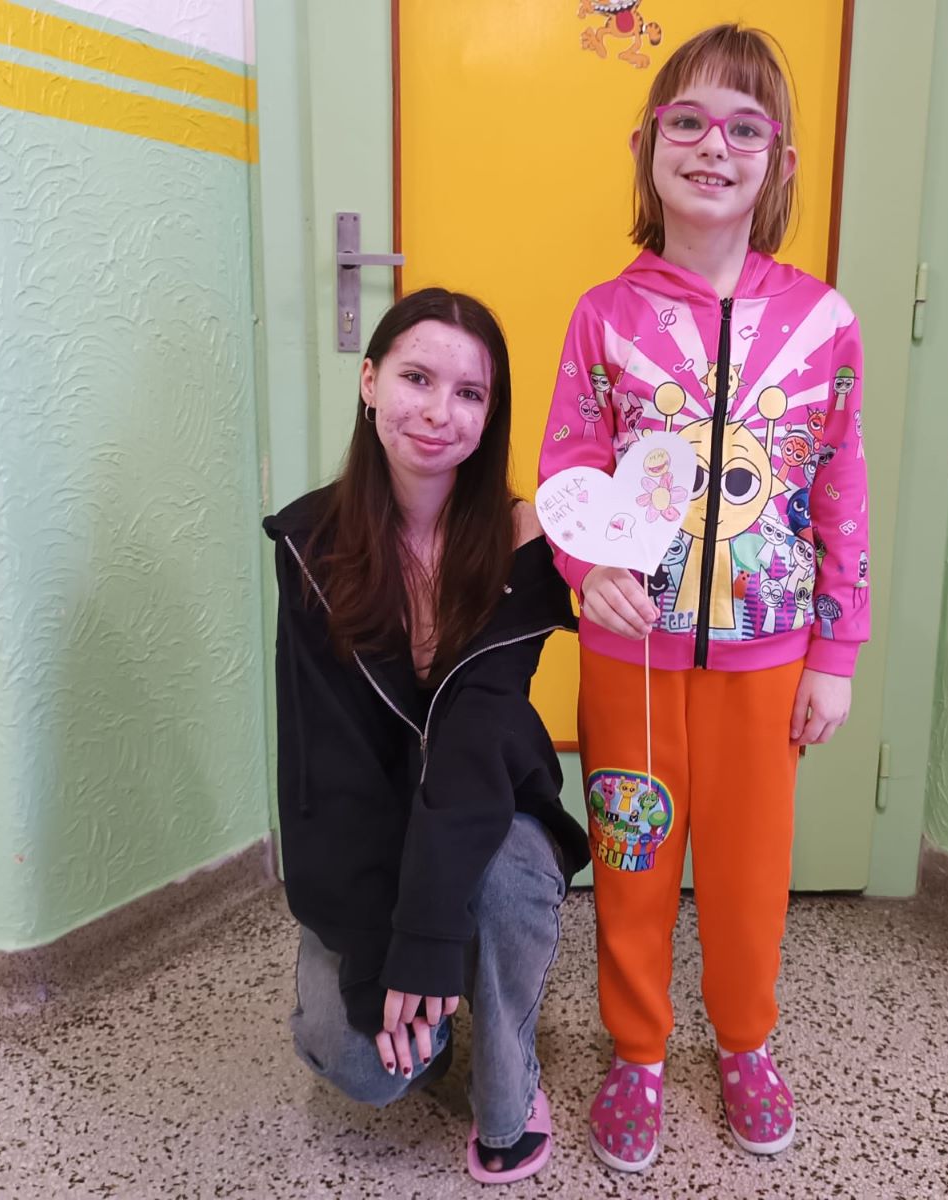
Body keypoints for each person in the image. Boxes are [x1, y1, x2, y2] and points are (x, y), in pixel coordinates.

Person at [536, 24, 871, 1171]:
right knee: (630, 860)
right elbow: (570, 467)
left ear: (779, 162)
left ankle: (744, 1042)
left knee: (747, 874)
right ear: (646, 146)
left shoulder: (823, 324)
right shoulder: (604, 316)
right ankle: (636, 1050)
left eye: (743, 127)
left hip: (767, 662)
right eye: (686, 121)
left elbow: (840, 489)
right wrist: (588, 572)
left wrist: (836, 652)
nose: (712, 146)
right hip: (629, 660)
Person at [264, 288, 589, 1184]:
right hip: (362, 837)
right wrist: (385, 954)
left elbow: (474, 744)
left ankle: (510, 1078)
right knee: (367, 1066)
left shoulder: (525, 541)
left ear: (491, 417)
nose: (440, 412)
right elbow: (327, 770)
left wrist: (429, 938)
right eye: (416, 378)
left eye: (470, 393)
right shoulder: (310, 543)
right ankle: (424, 1010)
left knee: (511, 879)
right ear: (369, 382)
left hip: (487, 803)